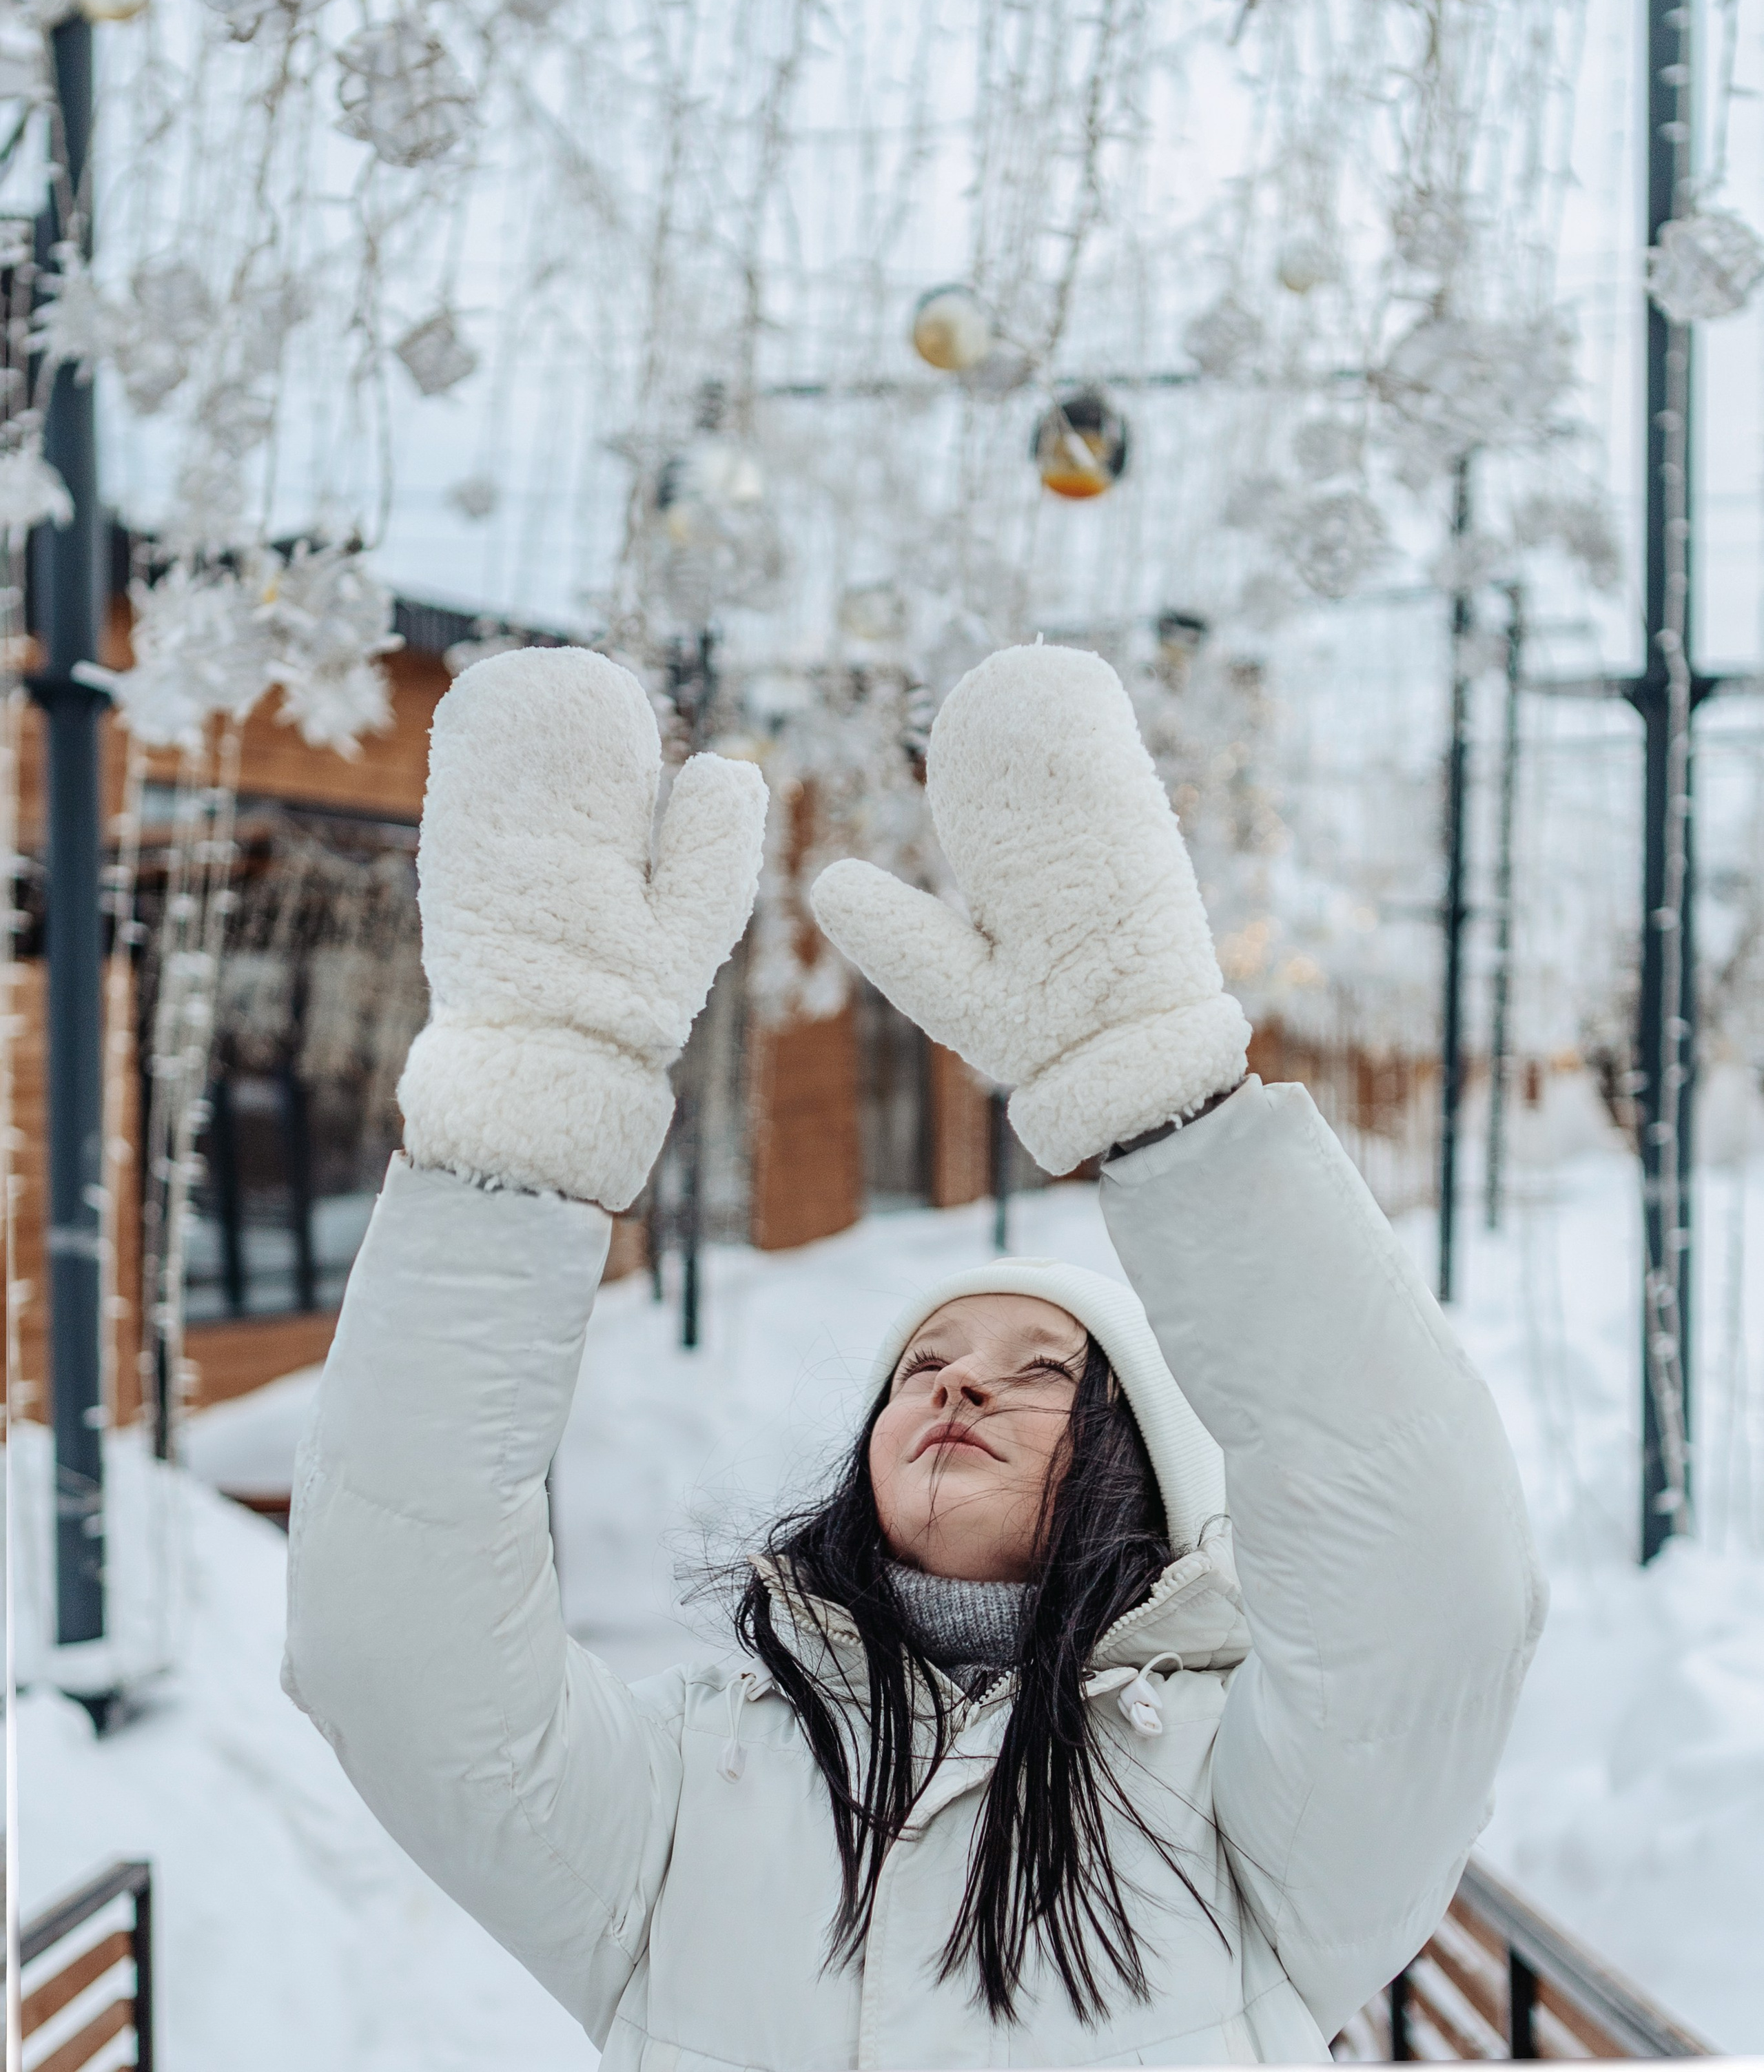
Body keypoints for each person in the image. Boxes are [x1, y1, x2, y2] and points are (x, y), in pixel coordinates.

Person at [285, 640, 1545, 2069]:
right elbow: (393, 1651)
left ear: (1138, 1462)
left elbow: (1429, 1591)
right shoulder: (687, 1789)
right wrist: (518, 1145)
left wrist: (1163, 1109)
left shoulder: (1244, 1792)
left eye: (1039, 1372)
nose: (953, 1384)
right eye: (924, 1364)